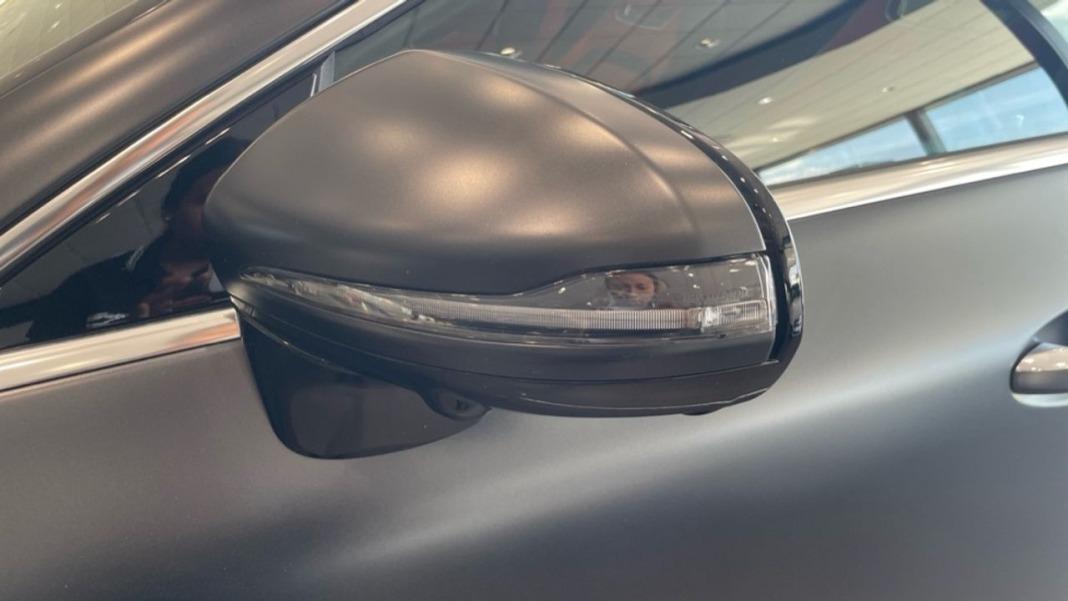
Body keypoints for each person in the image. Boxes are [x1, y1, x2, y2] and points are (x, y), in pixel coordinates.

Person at [11, 138, 247, 343]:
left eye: (243, 204)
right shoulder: (91, 285)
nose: (227, 213)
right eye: (209, 200)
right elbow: (39, 368)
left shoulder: (262, 282)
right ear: (171, 208)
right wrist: (134, 330)